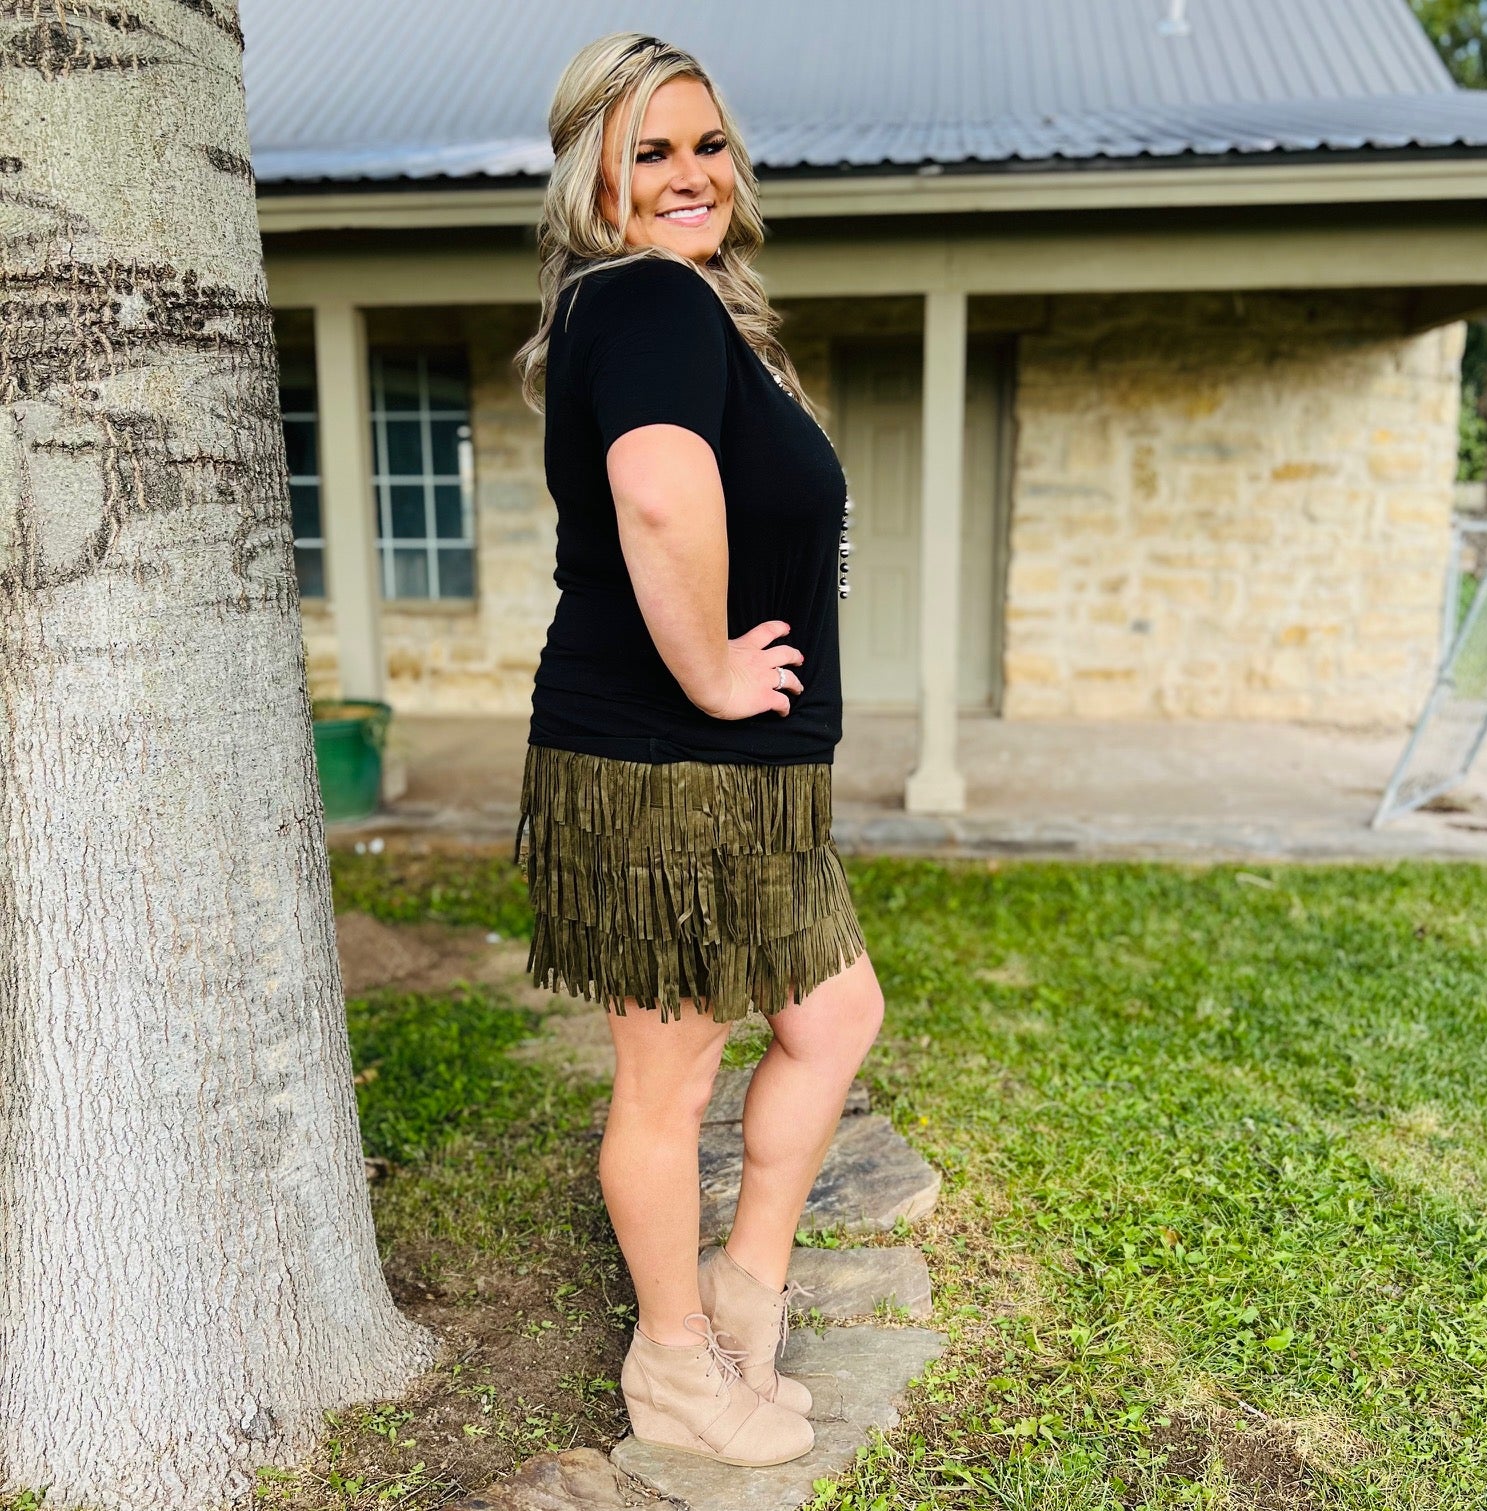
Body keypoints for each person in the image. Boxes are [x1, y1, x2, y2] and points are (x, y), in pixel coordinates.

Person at [513, 31, 885, 1469]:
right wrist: (717, 672)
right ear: (593, 178)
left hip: (735, 782)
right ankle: (672, 1366)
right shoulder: (649, 296)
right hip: (662, 769)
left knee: (833, 1019)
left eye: (708, 144)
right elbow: (661, 498)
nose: (690, 175)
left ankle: (744, 1294)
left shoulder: (678, 313)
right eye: (649, 151)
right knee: (666, 1087)